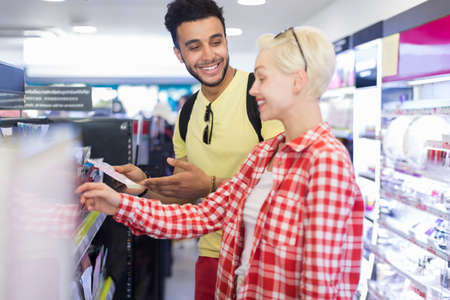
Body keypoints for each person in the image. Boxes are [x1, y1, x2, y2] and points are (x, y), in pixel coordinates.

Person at [77, 25, 364, 299]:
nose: (253, 89)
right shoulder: (264, 155)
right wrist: (118, 204)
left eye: (262, 78)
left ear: (297, 80)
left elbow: (319, 287)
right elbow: (202, 216)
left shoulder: (325, 162)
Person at [113, 0, 284, 298]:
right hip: (210, 256)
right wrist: (144, 187)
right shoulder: (187, 113)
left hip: (264, 258)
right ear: (179, 54)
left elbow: (284, 192)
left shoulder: (261, 96)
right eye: (194, 47)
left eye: (215, 42)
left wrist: (210, 185)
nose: (209, 55)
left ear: (226, 41)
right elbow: (185, 197)